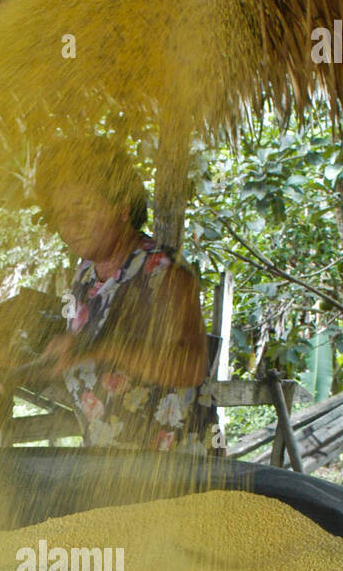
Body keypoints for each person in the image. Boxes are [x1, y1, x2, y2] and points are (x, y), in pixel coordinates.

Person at [30, 138, 223, 452]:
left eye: (82, 209)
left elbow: (191, 366)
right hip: (113, 473)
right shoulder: (85, 277)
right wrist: (21, 365)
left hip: (178, 473)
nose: (71, 224)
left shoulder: (165, 274)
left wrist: (99, 348)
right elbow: (81, 359)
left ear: (122, 207)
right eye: (61, 214)